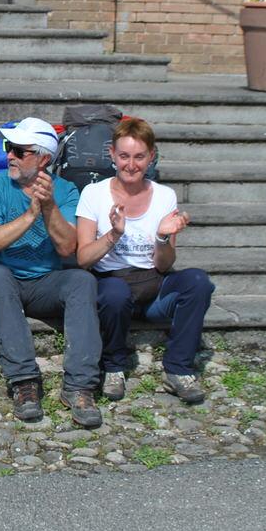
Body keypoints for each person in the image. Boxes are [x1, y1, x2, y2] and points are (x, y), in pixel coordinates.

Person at [75, 117, 214, 404]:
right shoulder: (93, 194)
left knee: (199, 281)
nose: (131, 165)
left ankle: (178, 369)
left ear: (151, 156)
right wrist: (113, 234)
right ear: (112, 155)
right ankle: (113, 365)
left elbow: (163, 265)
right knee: (115, 294)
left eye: (139, 157)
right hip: (111, 284)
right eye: (124, 156)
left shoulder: (164, 196)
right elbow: (83, 258)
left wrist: (163, 237)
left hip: (152, 287)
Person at [0, 117, 103, 427]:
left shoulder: (66, 190)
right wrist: (31, 214)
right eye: (9, 148)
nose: (9, 156)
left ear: (44, 158)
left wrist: (48, 208)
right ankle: (24, 383)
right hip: (6, 281)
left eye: (20, 151)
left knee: (82, 280)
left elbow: (67, 249)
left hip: (46, 281)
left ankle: (79, 387)